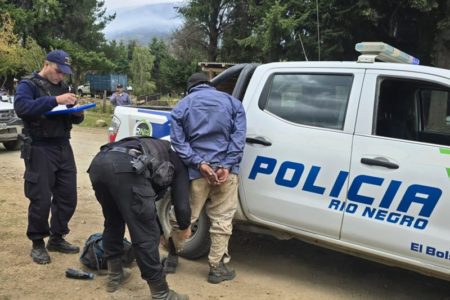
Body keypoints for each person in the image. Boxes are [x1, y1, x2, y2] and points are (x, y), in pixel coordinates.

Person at [88, 136, 191, 299]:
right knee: (145, 234)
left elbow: (147, 204)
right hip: (126, 169)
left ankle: (115, 275)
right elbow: (182, 205)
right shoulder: (178, 161)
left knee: (113, 221)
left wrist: (160, 231)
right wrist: (185, 226)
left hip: (99, 164)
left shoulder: (154, 146)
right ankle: (161, 293)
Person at [168, 72, 246, 284]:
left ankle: (172, 257)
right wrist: (226, 165)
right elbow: (238, 139)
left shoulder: (183, 105)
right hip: (226, 175)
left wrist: (199, 163)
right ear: (210, 85)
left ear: (190, 88)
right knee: (222, 219)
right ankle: (216, 268)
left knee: (184, 218)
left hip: (196, 174)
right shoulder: (233, 103)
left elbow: (178, 141)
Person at [14, 50, 83, 265]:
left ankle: (57, 237)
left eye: (64, 73)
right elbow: (22, 107)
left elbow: (71, 116)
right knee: (41, 198)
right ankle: (37, 242)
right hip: (39, 147)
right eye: (58, 71)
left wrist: (77, 112)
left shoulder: (63, 88)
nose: (61, 76)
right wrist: (54, 100)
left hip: (62, 145)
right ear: (47, 64)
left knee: (68, 196)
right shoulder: (29, 84)